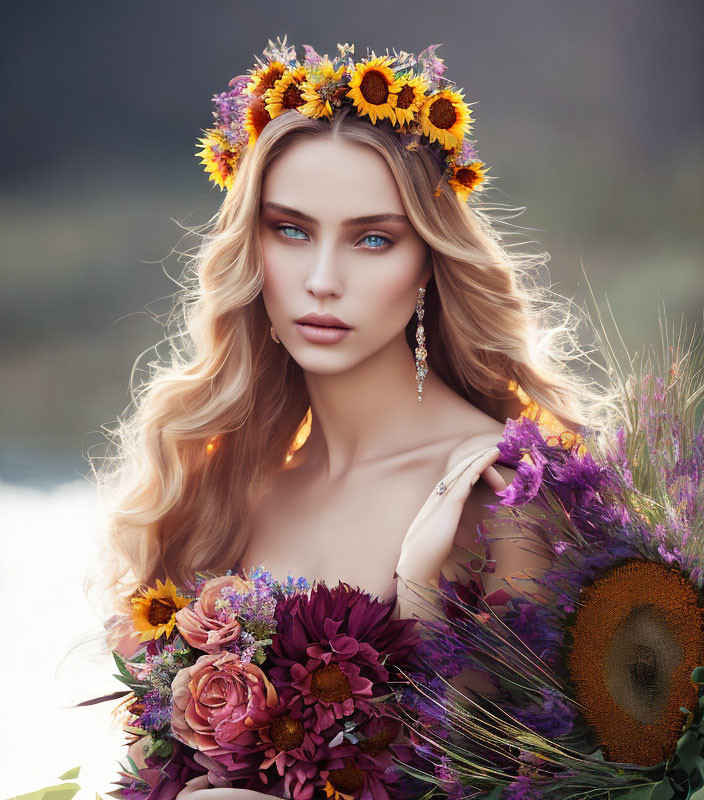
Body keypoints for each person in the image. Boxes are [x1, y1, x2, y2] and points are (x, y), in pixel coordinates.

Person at [91, 39, 602, 800]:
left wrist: (421, 603)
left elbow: (549, 781)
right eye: (290, 230)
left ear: (429, 261)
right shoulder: (222, 492)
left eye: (372, 239)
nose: (322, 281)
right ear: (248, 245)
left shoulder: (500, 498)